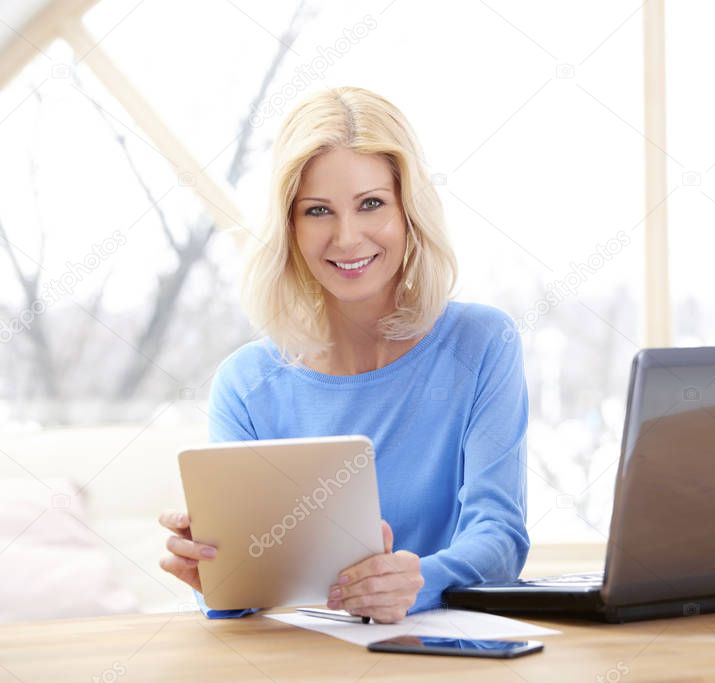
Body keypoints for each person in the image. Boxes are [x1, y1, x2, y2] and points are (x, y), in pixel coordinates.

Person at [157, 86, 529, 624]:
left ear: (408, 210)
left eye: (371, 204)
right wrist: (211, 576)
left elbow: (501, 538)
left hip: (444, 651)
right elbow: (240, 598)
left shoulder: (481, 343)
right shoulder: (246, 383)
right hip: (304, 662)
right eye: (317, 211)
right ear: (290, 226)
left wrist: (419, 582)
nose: (346, 237)